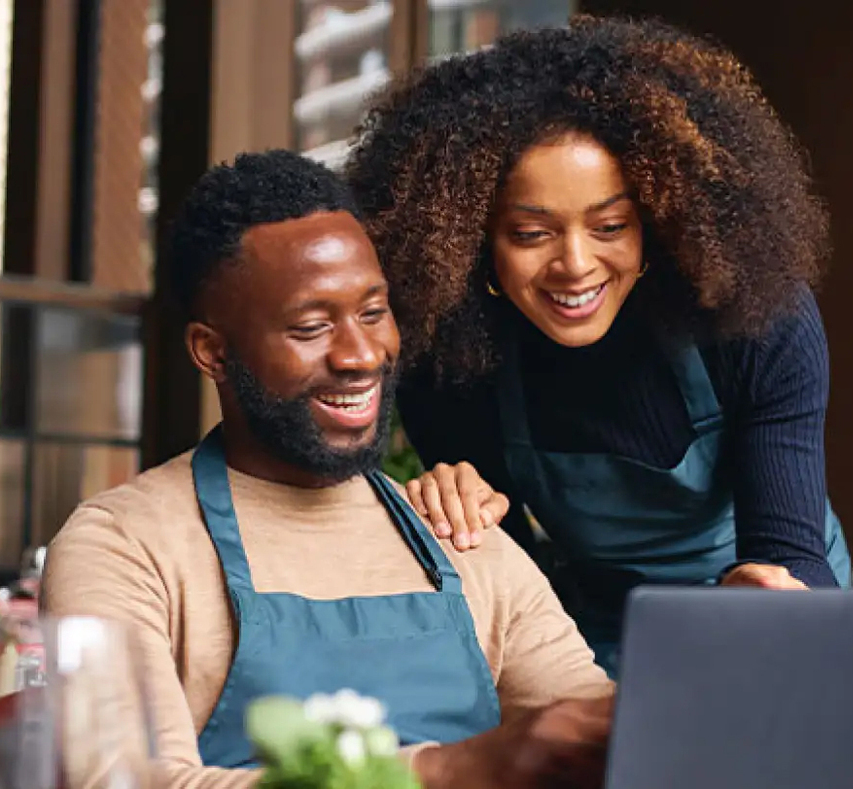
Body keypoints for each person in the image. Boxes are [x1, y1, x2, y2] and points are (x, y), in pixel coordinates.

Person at [42, 150, 614, 789]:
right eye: (312, 326)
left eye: (373, 312)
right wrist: (444, 770)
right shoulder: (123, 546)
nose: (362, 355)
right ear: (212, 351)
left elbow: (598, 740)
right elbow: (123, 780)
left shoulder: (459, 534)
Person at [344, 16, 851, 677]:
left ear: (658, 221)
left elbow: (793, 552)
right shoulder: (449, 359)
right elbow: (513, 586)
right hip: (598, 631)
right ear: (472, 244)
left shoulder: (755, 318)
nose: (576, 265)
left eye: (610, 225)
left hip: (772, 612)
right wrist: (456, 513)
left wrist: (767, 597)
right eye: (531, 233)